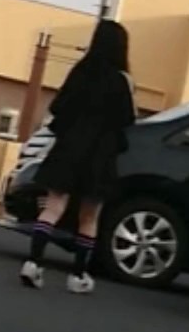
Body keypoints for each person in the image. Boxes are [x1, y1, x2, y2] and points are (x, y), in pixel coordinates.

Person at [19, 18, 138, 294]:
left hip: (69, 148)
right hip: (101, 155)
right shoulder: (123, 80)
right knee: (89, 216)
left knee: (53, 206)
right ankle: (78, 275)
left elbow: (58, 108)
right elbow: (127, 119)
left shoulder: (80, 71)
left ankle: (33, 262)